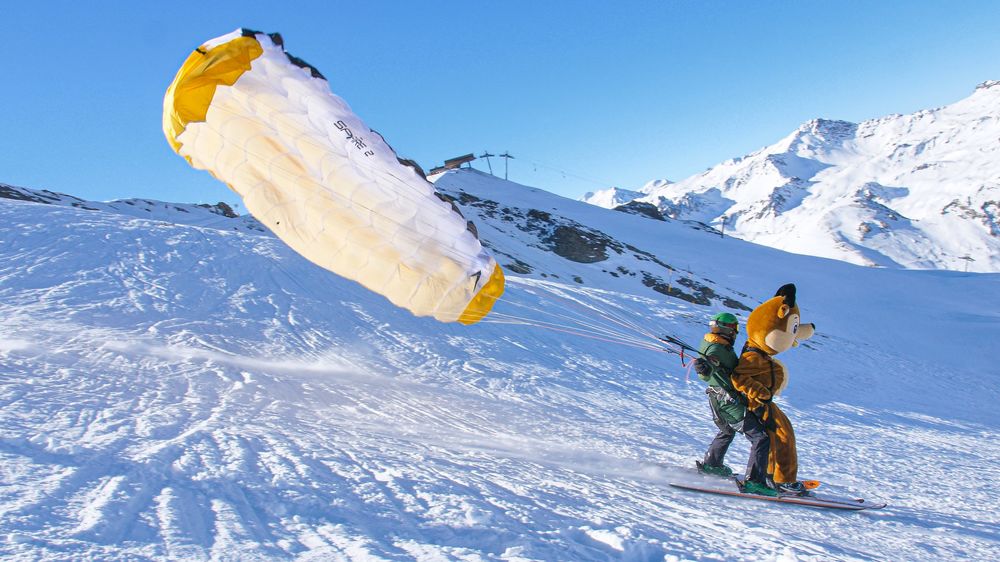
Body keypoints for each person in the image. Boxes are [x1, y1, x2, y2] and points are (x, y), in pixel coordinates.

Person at [693, 313, 775, 496]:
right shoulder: (717, 348)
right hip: (727, 402)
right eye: (735, 330)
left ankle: (712, 465)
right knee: (760, 437)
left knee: (727, 430)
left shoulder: (712, 343)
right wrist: (704, 368)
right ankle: (754, 482)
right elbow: (709, 365)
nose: (735, 334)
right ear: (728, 330)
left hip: (716, 400)